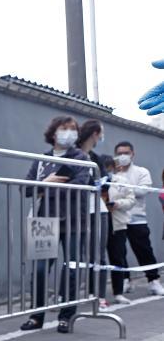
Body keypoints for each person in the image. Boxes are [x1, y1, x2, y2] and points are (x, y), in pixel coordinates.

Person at [20, 116, 94, 333]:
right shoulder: (41, 160)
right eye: (64, 128)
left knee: (71, 268)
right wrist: (44, 182)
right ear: (53, 133)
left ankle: (66, 316)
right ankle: (36, 316)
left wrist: (44, 188)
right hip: (44, 220)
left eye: (73, 129)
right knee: (40, 270)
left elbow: (80, 184)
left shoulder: (81, 157)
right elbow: (25, 188)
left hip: (74, 221)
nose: (69, 132)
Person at [109, 141, 164, 297]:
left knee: (144, 250)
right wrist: (126, 190)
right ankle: (125, 280)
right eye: (119, 153)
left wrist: (123, 188)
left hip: (137, 217)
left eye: (126, 153)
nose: (122, 156)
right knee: (118, 252)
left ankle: (153, 280)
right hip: (117, 218)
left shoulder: (142, 172)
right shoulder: (112, 174)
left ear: (132, 154)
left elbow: (143, 191)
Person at [76, 120, 109, 307]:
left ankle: (98, 295)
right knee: (75, 255)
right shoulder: (73, 154)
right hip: (75, 209)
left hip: (97, 210)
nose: (101, 137)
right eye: (101, 133)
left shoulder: (97, 158)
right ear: (95, 133)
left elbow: (104, 184)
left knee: (98, 255)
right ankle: (68, 296)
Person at [105, 154, 137, 305]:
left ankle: (118, 292)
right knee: (96, 260)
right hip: (98, 223)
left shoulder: (122, 181)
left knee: (117, 257)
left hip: (118, 223)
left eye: (108, 167)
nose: (107, 170)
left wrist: (118, 204)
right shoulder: (94, 181)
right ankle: (95, 293)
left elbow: (131, 200)